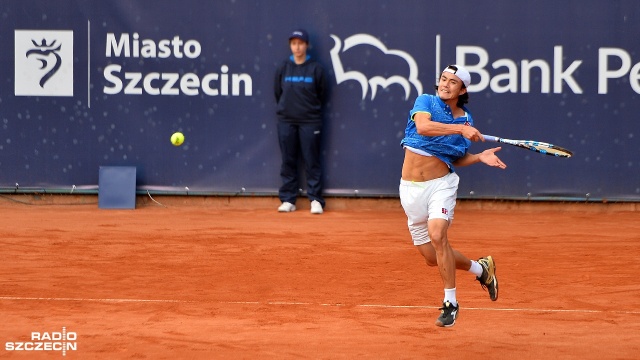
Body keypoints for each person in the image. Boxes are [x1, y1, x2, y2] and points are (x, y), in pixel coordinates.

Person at [399, 64, 506, 327]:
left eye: (453, 82)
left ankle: (451, 303)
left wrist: (479, 157)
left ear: (463, 89)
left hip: (440, 185)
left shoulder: (465, 119)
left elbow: (456, 158)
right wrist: (459, 130)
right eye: (443, 79)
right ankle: (481, 269)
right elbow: (423, 128)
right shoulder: (426, 101)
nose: (445, 85)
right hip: (410, 189)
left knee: (438, 236)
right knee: (431, 258)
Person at [274, 29, 327, 215]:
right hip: (286, 120)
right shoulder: (283, 68)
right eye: (294, 43)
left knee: (311, 160)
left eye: (300, 43)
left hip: (310, 121)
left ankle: (315, 199)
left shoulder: (316, 69)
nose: (297, 47)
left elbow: (322, 93)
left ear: (306, 45)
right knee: (288, 160)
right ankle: (288, 199)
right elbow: (277, 93)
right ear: (290, 46)